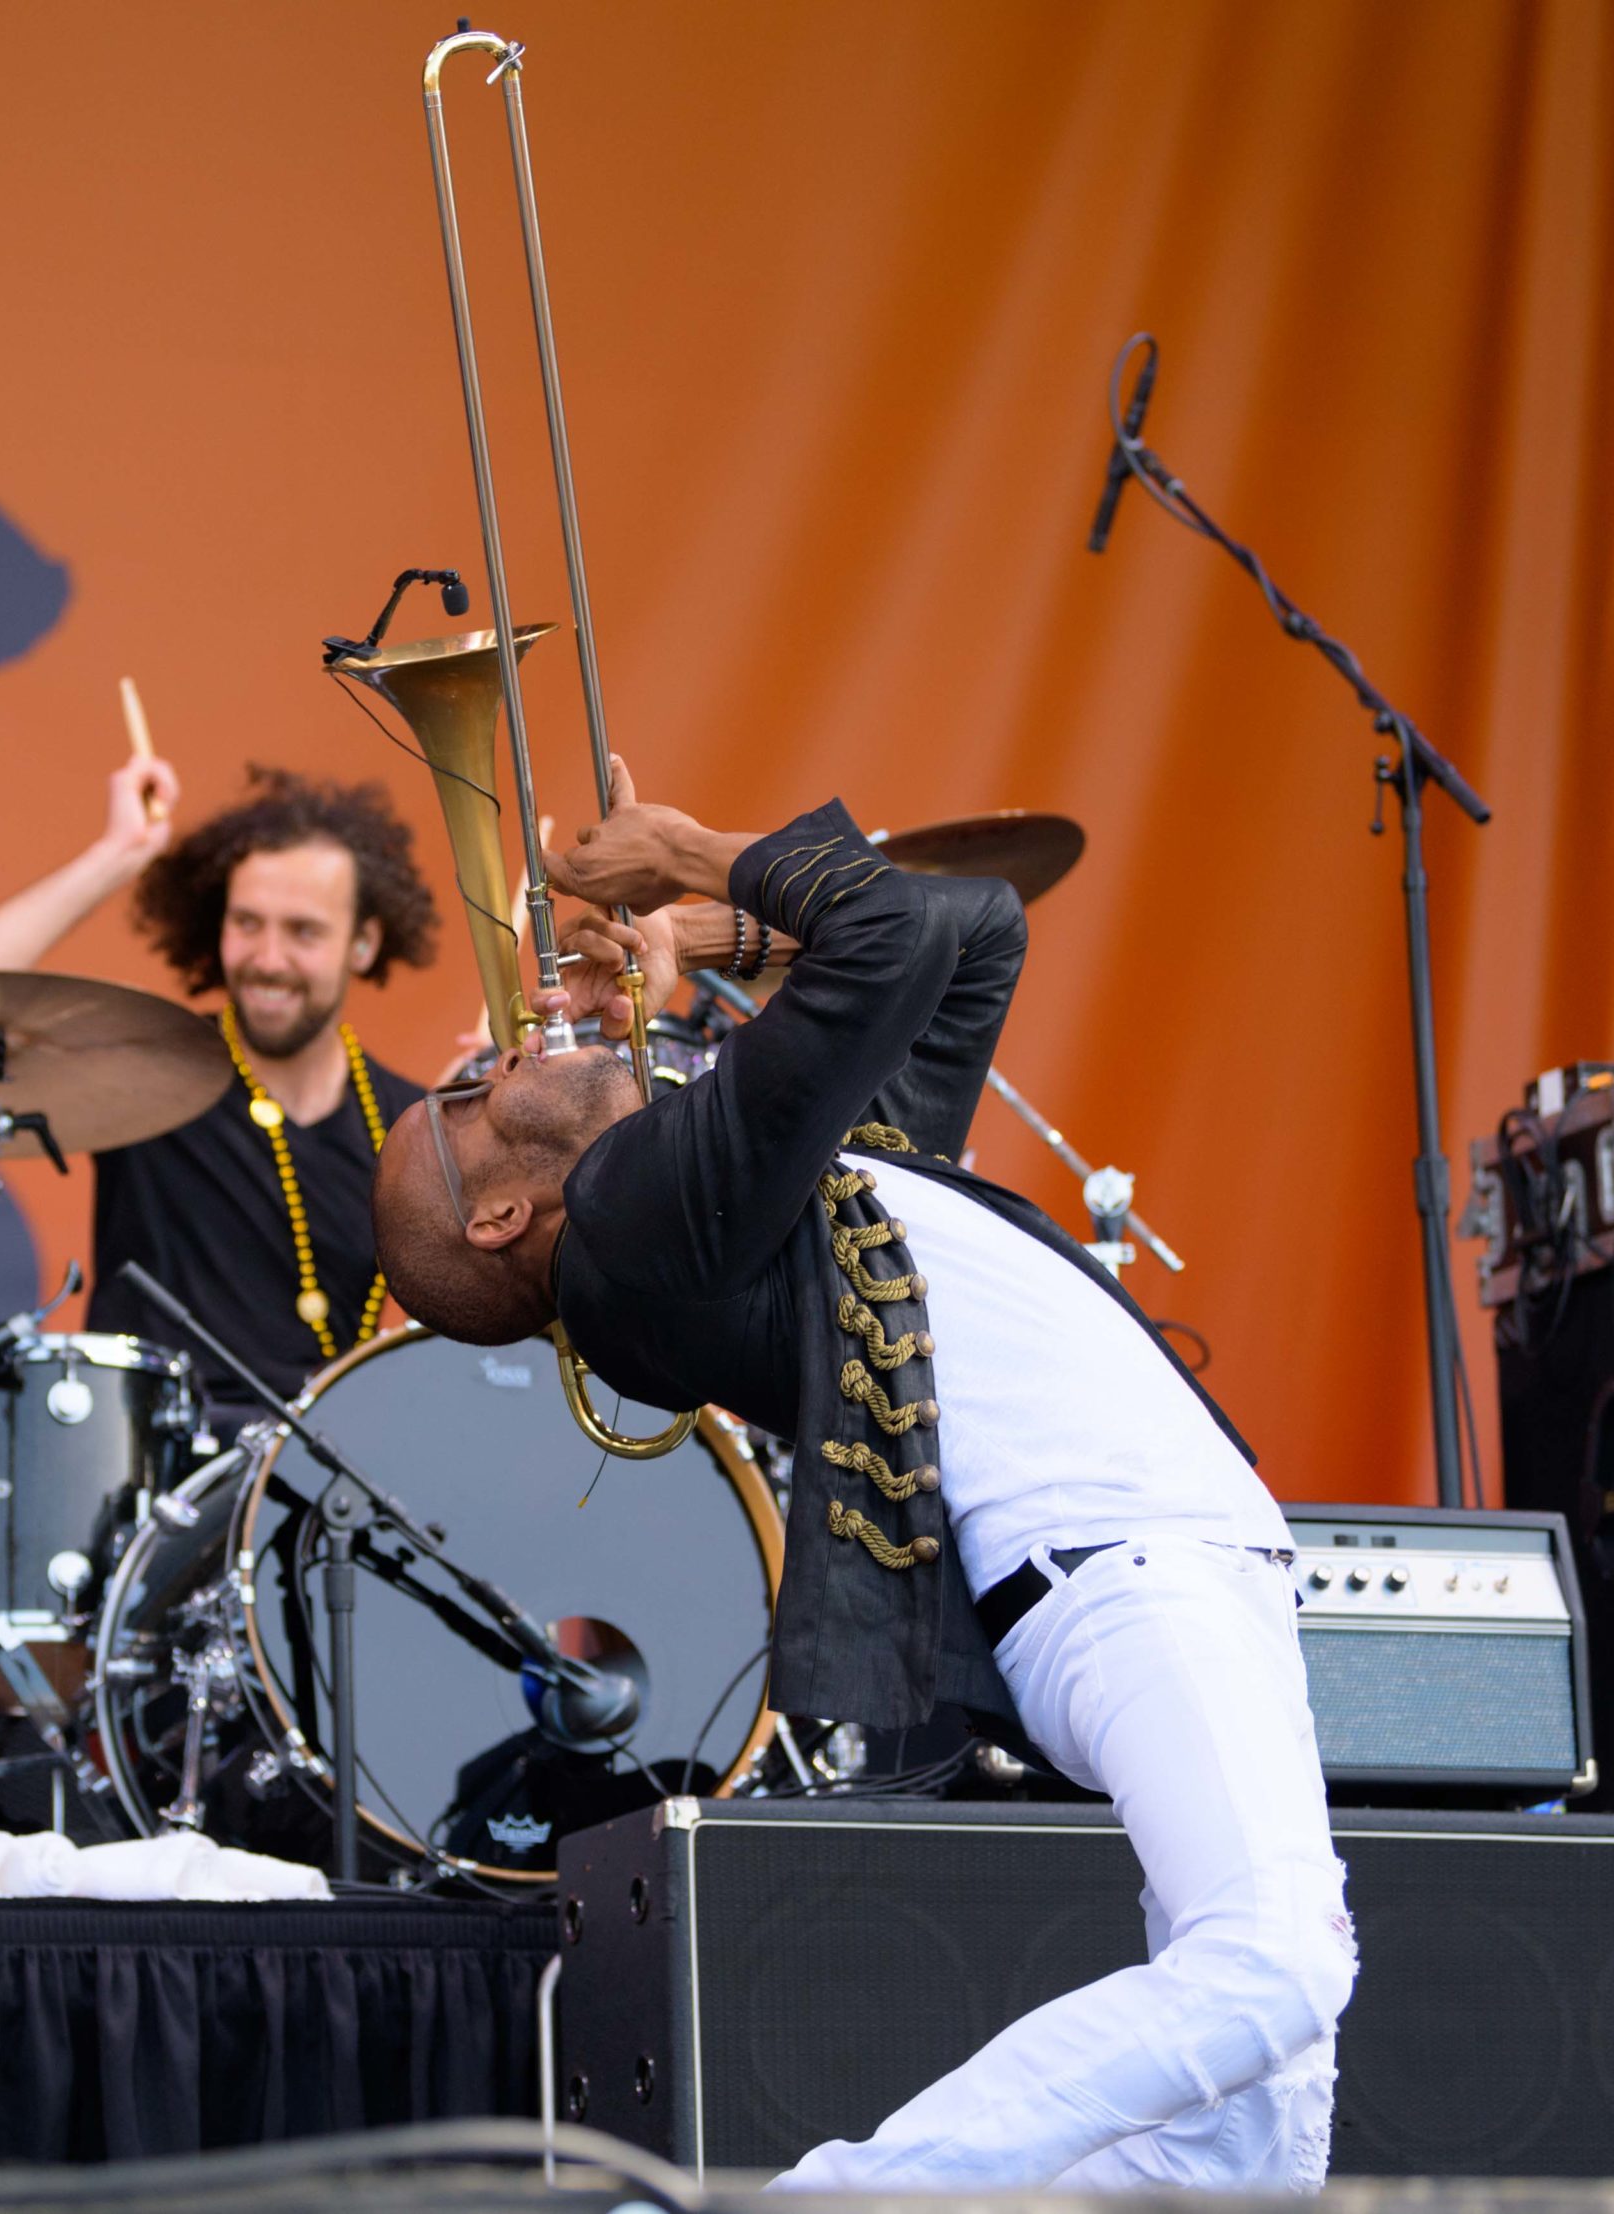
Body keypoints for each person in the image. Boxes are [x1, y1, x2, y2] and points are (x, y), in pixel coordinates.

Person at [368, 761, 1356, 2193]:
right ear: (507, 1210)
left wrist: (706, 943)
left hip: (1173, 1563)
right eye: (472, 1095)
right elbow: (883, 936)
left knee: (1251, 2141)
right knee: (1270, 1964)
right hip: (1114, 1562)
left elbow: (970, 930)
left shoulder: (768, 1200)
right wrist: (693, 853)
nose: (514, 1052)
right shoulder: (632, 1230)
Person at [0, 753, 439, 1422]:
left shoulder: (407, 1119)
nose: (268, 958)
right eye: (247, 922)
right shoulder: (155, 1060)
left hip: (318, 1484)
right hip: (144, 1464)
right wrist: (115, 855)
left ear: (364, 944)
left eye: (303, 931)